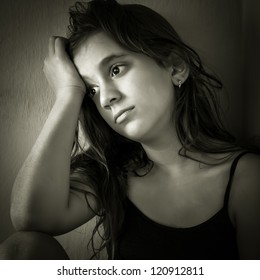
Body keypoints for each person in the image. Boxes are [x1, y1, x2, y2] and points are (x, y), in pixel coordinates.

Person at [1, 0, 260, 260]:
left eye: (115, 69)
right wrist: (68, 94)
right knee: (23, 249)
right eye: (92, 90)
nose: (105, 99)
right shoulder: (112, 174)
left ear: (175, 67)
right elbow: (30, 217)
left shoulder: (246, 178)